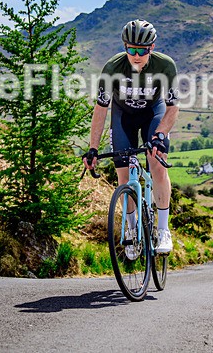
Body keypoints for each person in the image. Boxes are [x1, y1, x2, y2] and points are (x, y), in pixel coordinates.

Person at [83, 19, 179, 254]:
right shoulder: (112, 68)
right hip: (123, 115)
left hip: (152, 114)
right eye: (131, 49)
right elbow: (101, 109)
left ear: (152, 48)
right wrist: (93, 148)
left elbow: (173, 107)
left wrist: (160, 135)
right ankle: (131, 229)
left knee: (157, 164)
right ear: (125, 46)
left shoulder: (165, 66)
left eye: (142, 51)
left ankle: (163, 230)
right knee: (123, 175)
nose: (136, 55)